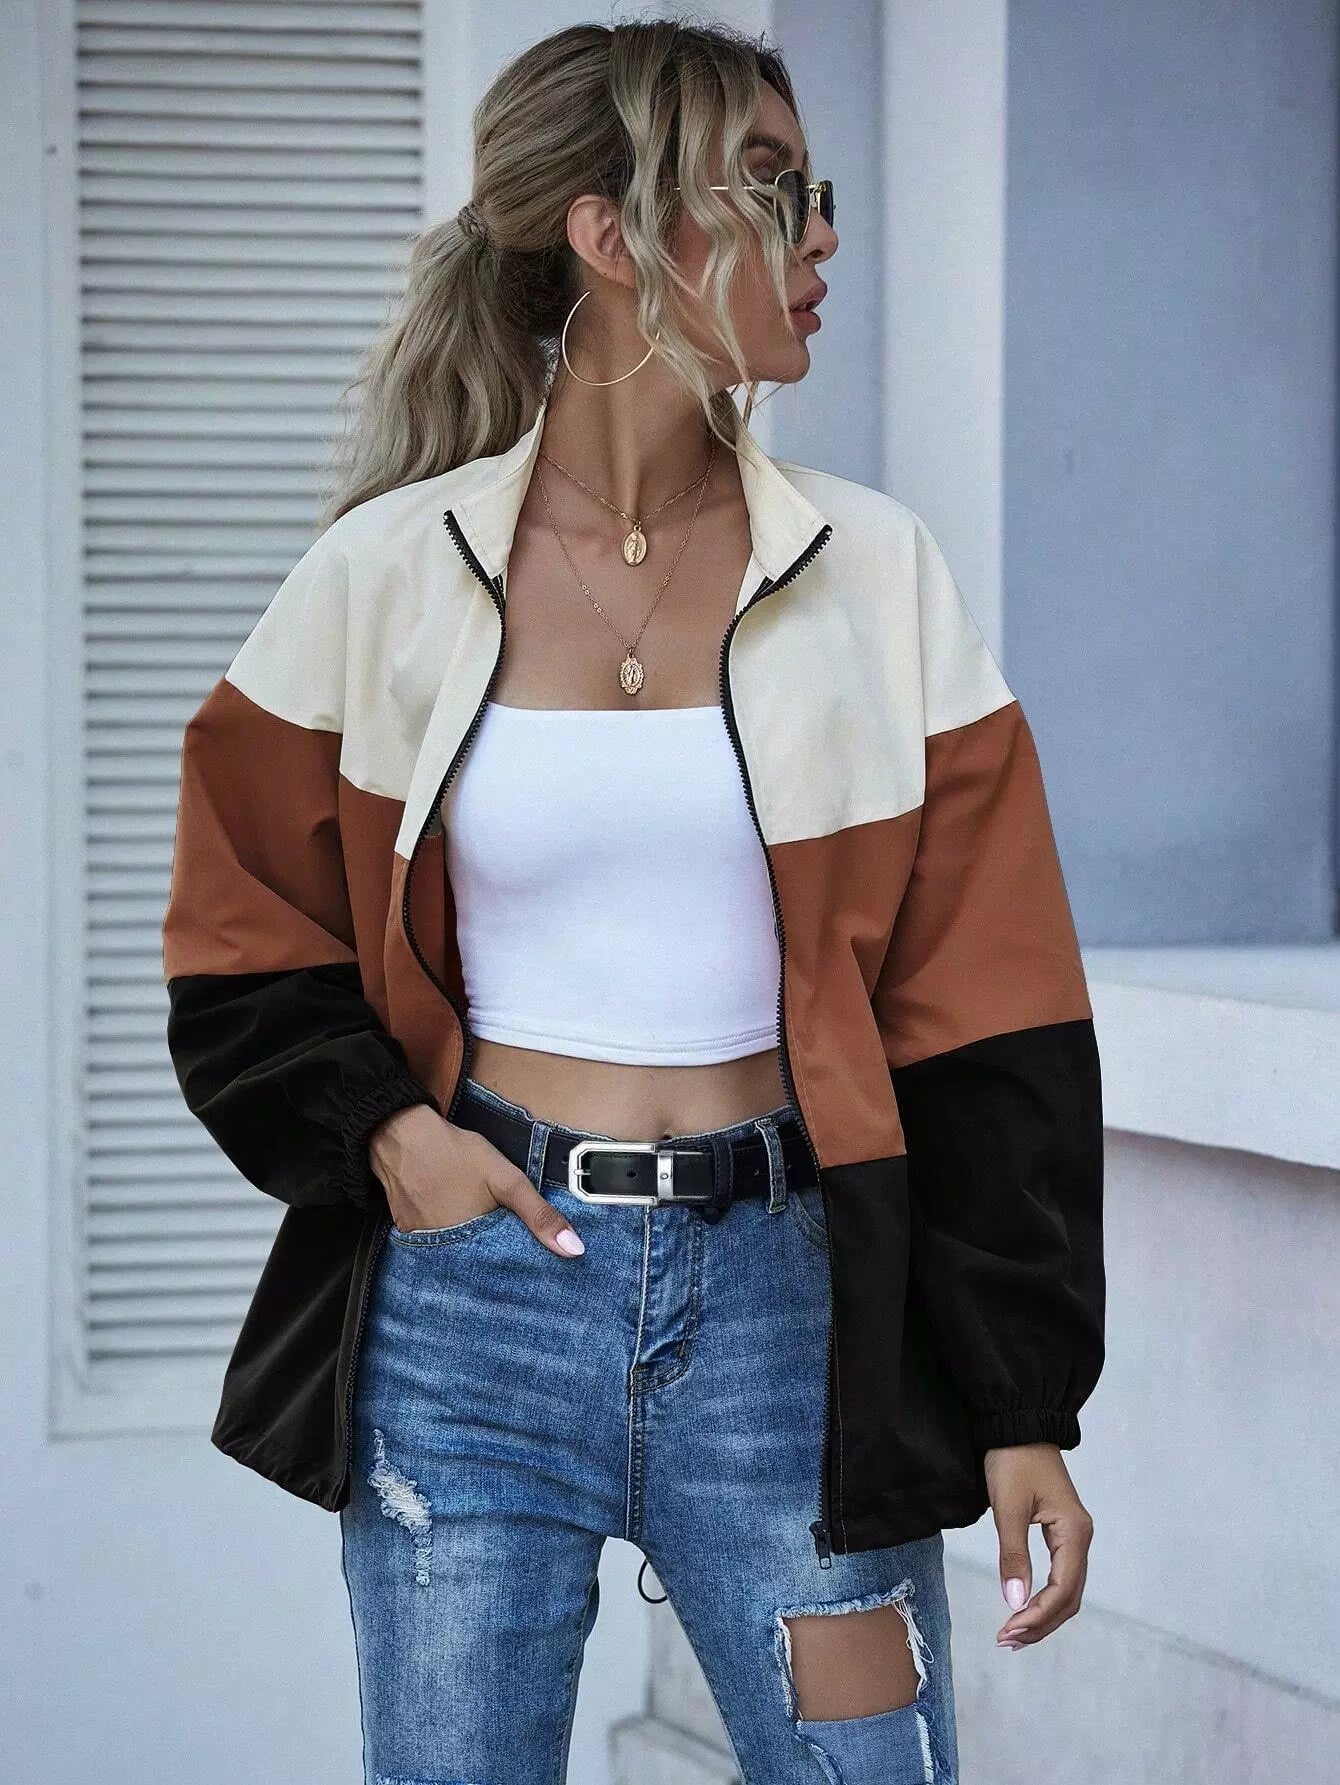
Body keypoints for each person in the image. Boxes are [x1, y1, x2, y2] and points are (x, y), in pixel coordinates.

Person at [162, 18, 1104, 1785]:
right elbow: (241, 941)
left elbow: (991, 1013)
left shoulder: (876, 575)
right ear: (611, 235)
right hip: (476, 1304)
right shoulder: (390, 573)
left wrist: (1019, 1401)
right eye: (773, 188)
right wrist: (392, 1141)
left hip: (792, 1319)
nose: (825, 232)